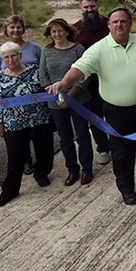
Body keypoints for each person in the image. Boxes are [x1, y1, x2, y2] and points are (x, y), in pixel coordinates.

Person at [48, 8, 136, 205]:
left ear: (130, 23)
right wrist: (63, 83)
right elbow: (80, 68)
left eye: (123, 21)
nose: (119, 25)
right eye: (115, 22)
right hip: (117, 112)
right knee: (122, 152)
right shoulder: (98, 49)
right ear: (109, 25)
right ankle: (126, 187)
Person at [0, 42, 55, 207]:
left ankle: (41, 174)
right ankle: (10, 190)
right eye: (6, 57)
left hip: (39, 119)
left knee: (44, 149)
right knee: (15, 157)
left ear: (20, 56)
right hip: (13, 123)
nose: (11, 60)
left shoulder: (36, 73)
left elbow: (48, 91)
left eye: (13, 55)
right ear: (2, 59)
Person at [39, 19, 94, 187]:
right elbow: (43, 75)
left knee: (82, 135)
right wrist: (53, 93)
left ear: (67, 31)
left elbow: (85, 73)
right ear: (50, 34)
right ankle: (72, 170)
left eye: (60, 30)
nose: (57, 34)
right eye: (53, 31)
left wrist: (70, 94)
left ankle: (87, 168)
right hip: (56, 103)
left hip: (78, 100)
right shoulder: (46, 51)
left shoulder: (78, 49)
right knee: (65, 138)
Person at [0, 15, 42, 175]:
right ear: (6, 30)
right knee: (19, 139)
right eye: (12, 27)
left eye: (19, 27)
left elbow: (43, 70)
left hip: (35, 104)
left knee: (38, 137)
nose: (16, 30)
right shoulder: (0, 52)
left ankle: (42, 166)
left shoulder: (34, 48)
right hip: (12, 106)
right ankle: (26, 162)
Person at [73, 0, 111, 165]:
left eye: (92, 6)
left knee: (117, 114)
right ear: (81, 8)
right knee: (95, 116)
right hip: (89, 83)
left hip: (113, 78)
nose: (89, 10)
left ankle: (123, 144)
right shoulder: (75, 30)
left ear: (98, 6)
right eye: (86, 7)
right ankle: (103, 148)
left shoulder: (110, 24)